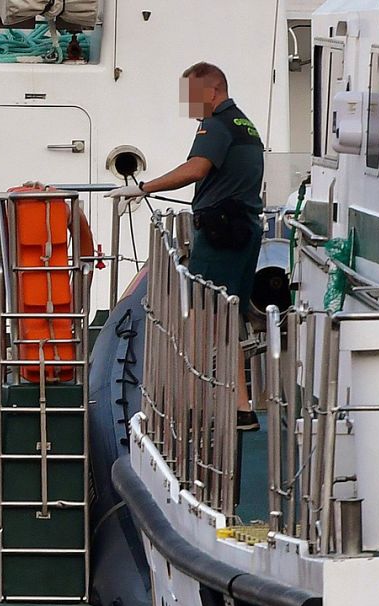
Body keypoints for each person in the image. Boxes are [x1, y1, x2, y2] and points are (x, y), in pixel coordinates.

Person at [108, 61, 263, 430]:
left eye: (193, 96)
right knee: (228, 319)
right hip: (244, 230)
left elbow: (195, 169)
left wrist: (142, 187)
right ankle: (242, 410)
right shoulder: (245, 124)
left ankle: (187, 411)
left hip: (220, 233)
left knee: (196, 320)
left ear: (213, 91)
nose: (190, 105)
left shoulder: (216, 124)